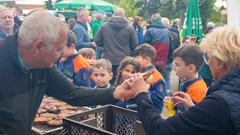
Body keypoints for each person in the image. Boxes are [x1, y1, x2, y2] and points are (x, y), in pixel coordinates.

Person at [0, 11, 138, 135]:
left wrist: (117, 92)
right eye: (58, 49)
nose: (61, 56)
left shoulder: (44, 66)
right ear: (39, 46)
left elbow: (73, 93)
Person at [128, 26, 240, 135]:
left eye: (209, 57)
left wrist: (141, 94)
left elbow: (160, 130)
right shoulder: (229, 95)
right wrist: (194, 110)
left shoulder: (219, 102)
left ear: (220, 61)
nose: (208, 62)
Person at [95, 8, 138, 84]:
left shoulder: (104, 26)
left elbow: (97, 41)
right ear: (123, 16)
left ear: (113, 15)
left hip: (108, 59)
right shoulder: (129, 27)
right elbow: (135, 45)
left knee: (108, 83)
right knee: (122, 83)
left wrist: (105, 46)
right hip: (124, 61)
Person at [142, 13, 172, 92]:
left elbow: (143, 47)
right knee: (163, 81)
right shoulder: (167, 31)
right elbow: (171, 48)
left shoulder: (150, 31)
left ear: (152, 20)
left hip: (152, 62)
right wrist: (168, 60)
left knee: (151, 81)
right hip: (163, 62)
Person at [133, 44, 166, 112]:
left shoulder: (156, 77)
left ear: (147, 59)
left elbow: (159, 98)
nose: (135, 61)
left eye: (138, 58)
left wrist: (143, 92)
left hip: (151, 112)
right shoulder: (139, 72)